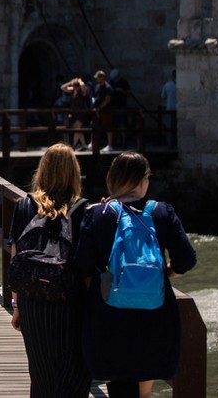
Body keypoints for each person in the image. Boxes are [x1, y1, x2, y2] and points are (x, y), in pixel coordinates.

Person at [75, 152, 197, 398]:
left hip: (110, 312)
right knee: (144, 389)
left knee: (118, 384)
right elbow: (187, 258)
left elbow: (81, 265)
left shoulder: (98, 213)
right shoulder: (162, 212)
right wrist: (166, 274)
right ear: (143, 180)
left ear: (113, 179)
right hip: (155, 314)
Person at [7, 143, 91, 398]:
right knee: (74, 374)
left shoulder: (25, 205)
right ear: (74, 173)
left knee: (41, 375)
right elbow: (86, 263)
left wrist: (17, 304)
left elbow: (17, 258)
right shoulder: (83, 209)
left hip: (33, 302)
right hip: (70, 303)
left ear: (41, 170)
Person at [60, 76, 90, 150]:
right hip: (74, 113)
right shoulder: (73, 91)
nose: (74, 88)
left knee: (77, 128)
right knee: (76, 129)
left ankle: (74, 145)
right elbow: (62, 87)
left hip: (81, 112)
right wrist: (70, 82)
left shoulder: (82, 91)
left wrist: (79, 81)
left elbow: (83, 86)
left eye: (75, 86)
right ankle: (83, 144)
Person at [91, 70, 114, 152]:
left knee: (108, 126)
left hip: (106, 110)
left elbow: (107, 100)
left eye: (98, 77)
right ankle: (93, 143)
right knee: (94, 125)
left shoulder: (108, 88)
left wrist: (99, 108)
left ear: (102, 77)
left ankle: (110, 145)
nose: (96, 79)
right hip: (97, 111)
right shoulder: (97, 86)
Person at [160, 70, 177, 147]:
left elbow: (163, 96)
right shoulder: (182, 85)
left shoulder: (167, 85)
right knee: (177, 126)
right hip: (180, 109)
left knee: (170, 126)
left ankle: (170, 143)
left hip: (170, 108)